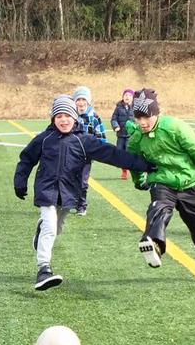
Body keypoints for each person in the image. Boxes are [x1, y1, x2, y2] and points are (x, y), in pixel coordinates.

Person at [14, 95, 150, 290]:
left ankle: (40, 231)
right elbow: (26, 159)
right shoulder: (44, 139)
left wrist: (142, 165)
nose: (63, 119)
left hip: (69, 191)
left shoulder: (84, 141)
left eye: (67, 115)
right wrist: (20, 182)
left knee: (56, 228)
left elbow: (112, 154)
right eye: (58, 116)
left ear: (75, 117)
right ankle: (43, 268)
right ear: (53, 119)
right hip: (46, 189)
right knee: (51, 227)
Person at [125, 88, 195, 272]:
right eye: (138, 118)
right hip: (161, 181)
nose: (143, 123)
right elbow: (133, 162)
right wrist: (139, 181)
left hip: (186, 182)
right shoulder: (136, 138)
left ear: (156, 113)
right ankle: (154, 244)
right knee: (158, 208)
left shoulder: (175, 127)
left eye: (147, 117)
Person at [71, 85, 107, 215]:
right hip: (71, 154)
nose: (81, 103)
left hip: (86, 156)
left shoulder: (94, 117)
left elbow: (101, 137)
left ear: (88, 101)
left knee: (82, 181)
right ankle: (69, 201)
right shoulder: (71, 115)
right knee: (68, 178)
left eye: (83, 99)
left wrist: (98, 150)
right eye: (78, 99)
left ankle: (81, 205)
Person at [111, 88, 135, 181]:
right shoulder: (118, 107)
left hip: (131, 135)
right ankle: (124, 170)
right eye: (125, 95)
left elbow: (138, 120)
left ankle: (133, 171)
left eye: (129, 95)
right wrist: (115, 126)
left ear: (132, 98)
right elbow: (113, 119)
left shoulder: (135, 108)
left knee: (129, 153)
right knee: (120, 152)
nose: (127, 97)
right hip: (120, 135)